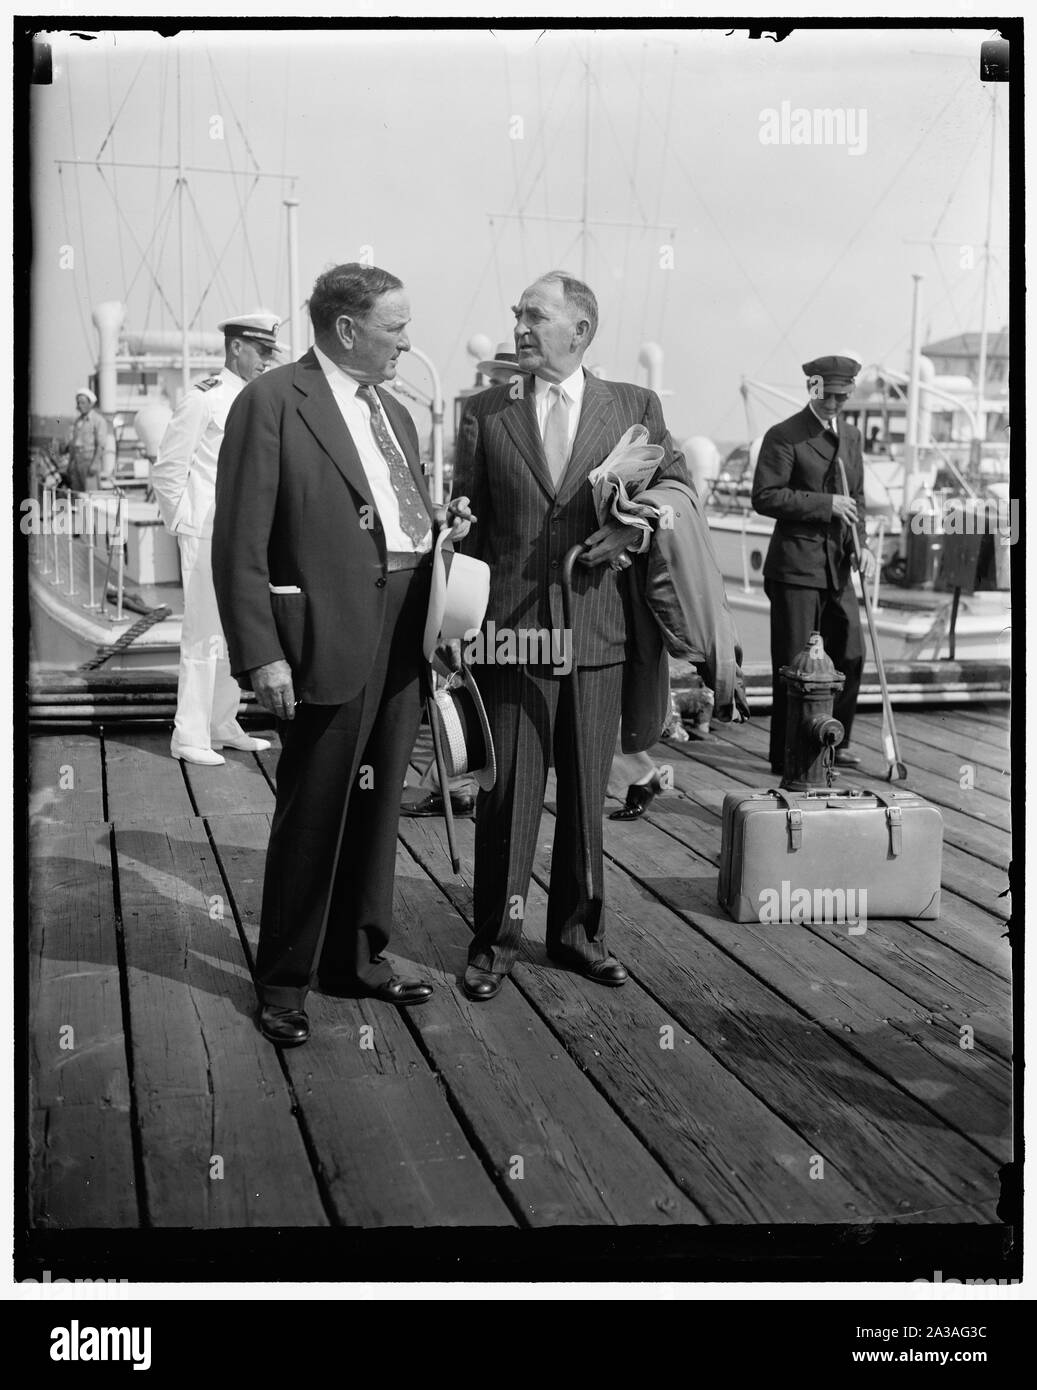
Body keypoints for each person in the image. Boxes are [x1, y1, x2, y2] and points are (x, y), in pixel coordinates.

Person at [212, 263, 472, 1047]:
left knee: (377, 801)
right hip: (325, 634)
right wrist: (261, 656)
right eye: (396, 326)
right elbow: (238, 544)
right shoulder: (271, 401)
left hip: (401, 626)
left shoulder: (390, 408)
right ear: (348, 329)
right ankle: (285, 978)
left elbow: (393, 514)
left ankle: (355, 958)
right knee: (313, 810)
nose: (406, 340)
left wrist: (437, 533)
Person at [452, 270, 691, 1002]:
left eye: (534, 315)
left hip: (597, 631)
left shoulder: (633, 407)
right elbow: (471, 525)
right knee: (508, 797)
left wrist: (628, 523)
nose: (519, 327)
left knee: (588, 799)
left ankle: (578, 937)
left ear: (578, 330)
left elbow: (677, 491)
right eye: (517, 314)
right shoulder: (482, 412)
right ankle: (493, 941)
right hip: (510, 636)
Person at [151, 314, 278, 767]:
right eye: (261, 351)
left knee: (231, 631)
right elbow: (168, 469)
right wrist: (185, 523)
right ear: (236, 348)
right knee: (203, 632)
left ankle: (221, 722)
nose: (267, 360)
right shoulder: (203, 399)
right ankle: (188, 733)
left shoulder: (256, 399)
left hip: (242, 535)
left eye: (271, 352)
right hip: (205, 529)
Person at [751, 353, 876, 776]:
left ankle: (832, 741)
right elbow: (765, 496)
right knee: (793, 665)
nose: (835, 403)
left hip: (838, 567)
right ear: (814, 387)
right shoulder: (784, 435)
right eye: (830, 395)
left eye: (844, 396)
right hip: (795, 570)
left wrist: (865, 545)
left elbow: (857, 499)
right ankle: (788, 752)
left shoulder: (853, 437)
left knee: (851, 655)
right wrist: (826, 504)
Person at [61, 388, 107, 492]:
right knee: (78, 495)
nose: (79, 405)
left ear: (90, 404)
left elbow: (101, 445)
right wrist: (70, 465)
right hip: (76, 462)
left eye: (83, 402)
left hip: (89, 462)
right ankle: (80, 509)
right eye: (78, 403)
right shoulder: (77, 422)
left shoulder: (98, 421)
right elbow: (73, 445)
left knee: (91, 495)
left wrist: (95, 464)